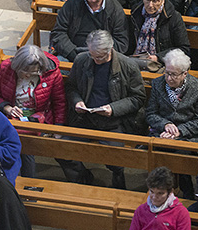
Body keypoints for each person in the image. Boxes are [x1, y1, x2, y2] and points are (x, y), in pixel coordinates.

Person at [62, 29, 146, 189]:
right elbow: (71, 87)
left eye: (100, 57)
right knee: (62, 150)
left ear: (110, 50)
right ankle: (83, 179)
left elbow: (138, 98)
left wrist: (113, 108)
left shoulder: (127, 66)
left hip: (113, 122)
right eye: (93, 55)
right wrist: (77, 102)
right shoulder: (82, 60)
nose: (96, 60)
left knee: (116, 159)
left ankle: (118, 180)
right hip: (85, 118)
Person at [0, 45, 65, 177]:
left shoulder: (52, 73)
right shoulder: (6, 68)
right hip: (9, 116)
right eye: (24, 71)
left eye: (33, 72)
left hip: (38, 117)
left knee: (21, 141)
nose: (28, 75)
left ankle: (19, 181)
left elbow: (59, 101)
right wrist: (8, 108)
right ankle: (24, 182)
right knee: (15, 141)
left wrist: (58, 128)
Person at [49, 0, 129, 61]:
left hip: (102, 58)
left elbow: (121, 43)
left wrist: (99, 55)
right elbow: (58, 32)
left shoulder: (115, 10)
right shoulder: (72, 4)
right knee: (57, 68)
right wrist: (72, 53)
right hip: (72, 54)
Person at [144, 48, 198, 142]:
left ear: (184, 74)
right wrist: (165, 124)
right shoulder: (157, 84)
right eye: (167, 73)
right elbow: (150, 114)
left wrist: (180, 131)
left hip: (188, 137)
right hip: (161, 134)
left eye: (174, 74)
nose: (169, 78)